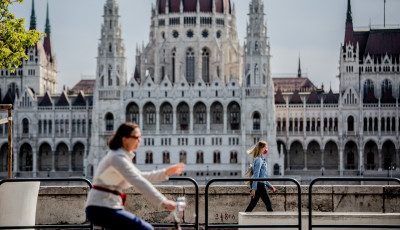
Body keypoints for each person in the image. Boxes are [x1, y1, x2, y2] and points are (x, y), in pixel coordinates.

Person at [85, 122, 185, 230]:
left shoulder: (120, 156)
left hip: (105, 206)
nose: (139, 140)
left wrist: (165, 173)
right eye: (136, 137)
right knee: (146, 229)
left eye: (140, 137)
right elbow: (138, 181)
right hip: (102, 207)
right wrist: (163, 201)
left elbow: (140, 177)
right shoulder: (117, 158)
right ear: (124, 139)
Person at [245, 140, 276, 212]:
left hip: (260, 184)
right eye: (265, 147)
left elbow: (262, 176)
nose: (266, 149)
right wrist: (254, 189)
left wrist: (269, 185)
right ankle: (272, 222)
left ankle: (243, 221)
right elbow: (256, 175)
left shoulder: (261, 159)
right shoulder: (259, 160)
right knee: (268, 204)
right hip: (259, 185)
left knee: (252, 205)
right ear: (262, 148)